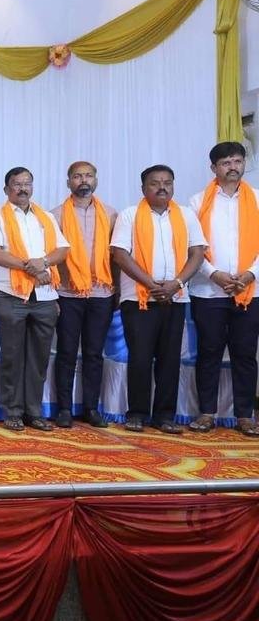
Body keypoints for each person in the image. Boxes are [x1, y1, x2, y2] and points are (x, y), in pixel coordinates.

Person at [110, 164, 206, 434]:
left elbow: (197, 253)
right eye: (155, 183)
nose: (162, 187)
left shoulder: (186, 215)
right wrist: (152, 285)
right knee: (140, 358)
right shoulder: (130, 215)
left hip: (175, 297)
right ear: (143, 188)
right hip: (138, 299)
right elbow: (120, 255)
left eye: (167, 182)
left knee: (170, 359)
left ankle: (165, 415)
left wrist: (176, 284)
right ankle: (137, 413)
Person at [0, 167, 69, 432]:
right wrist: (30, 266)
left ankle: (34, 411)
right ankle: (12, 412)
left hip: (44, 295)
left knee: (39, 357)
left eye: (27, 183)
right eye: (17, 184)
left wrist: (43, 262)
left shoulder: (45, 217)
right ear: (6, 189)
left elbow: (62, 250)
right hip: (11, 294)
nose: (22, 188)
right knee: (12, 355)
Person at [188, 141, 259, 436]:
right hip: (208, 291)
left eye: (237, 161)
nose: (233, 167)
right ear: (214, 168)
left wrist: (250, 274)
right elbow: (192, 247)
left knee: (245, 353)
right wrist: (214, 274)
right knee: (209, 352)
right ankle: (206, 413)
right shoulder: (197, 202)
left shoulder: (257, 198)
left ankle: (245, 415)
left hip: (250, 291)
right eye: (226, 162)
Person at [50, 161, 115, 429]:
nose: (83, 180)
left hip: (101, 293)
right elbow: (52, 258)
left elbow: (116, 255)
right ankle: (64, 408)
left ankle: (91, 408)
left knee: (94, 353)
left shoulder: (111, 214)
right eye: (77, 176)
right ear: (69, 182)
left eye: (88, 176)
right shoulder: (54, 216)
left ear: (96, 180)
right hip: (67, 293)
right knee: (66, 352)